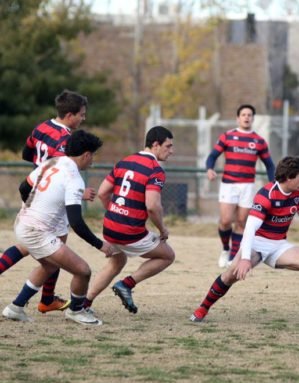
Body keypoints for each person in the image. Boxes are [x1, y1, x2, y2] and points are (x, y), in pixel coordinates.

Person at [189, 156, 299, 322]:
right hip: (256, 243)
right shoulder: (267, 195)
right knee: (229, 276)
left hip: (279, 245)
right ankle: (202, 308)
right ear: (289, 177)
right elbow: (249, 229)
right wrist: (245, 259)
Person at [2, 130, 112, 325]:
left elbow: (23, 187)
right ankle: (76, 311)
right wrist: (100, 245)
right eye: (92, 155)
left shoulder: (53, 161)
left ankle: (15, 308)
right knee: (83, 271)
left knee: (50, 266)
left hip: (23, 223)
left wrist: (32, 207)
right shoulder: (74, 179)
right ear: (86, 155)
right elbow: (77, 222)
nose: (92, 160)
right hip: (36, 231)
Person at [0, 89, 93, 314]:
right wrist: (79, 193)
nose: (84, 118)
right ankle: (46, 299)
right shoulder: (66, 141)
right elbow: (65, 170)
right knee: (54, 248)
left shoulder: (41, 127)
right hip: (50, 197)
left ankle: (47, 299)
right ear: (70, 115)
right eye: (81, 114)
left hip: (36, 190)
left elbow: (26, 153)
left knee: (34, 246)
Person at [83, 126, 176, 315]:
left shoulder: (124, 161)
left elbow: (102, 193)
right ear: (156, 144)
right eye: (168, 146)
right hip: (129, 232)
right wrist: (163, 229)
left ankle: (84, 304)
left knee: (116, 263)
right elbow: (152, 206)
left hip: (109, 226)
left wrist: (116, 212)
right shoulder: (155, 170)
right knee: (167, 255)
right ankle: (126, 284)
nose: (171, 151)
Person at [205, 104, 275, 268]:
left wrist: (273, 184)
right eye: (243, 114)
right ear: (238, 118)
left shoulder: (258, 141)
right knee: (225, 220)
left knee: (242, 222)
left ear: (253, 118)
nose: (246, 117)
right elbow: (212, 155)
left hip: (248, 186)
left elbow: (269, 165)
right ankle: (225, 249)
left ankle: (232, 258)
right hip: (228, 185)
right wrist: (209, 169)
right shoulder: (227, 136)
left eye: (249, 115)